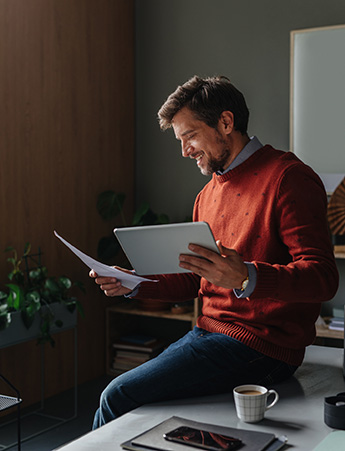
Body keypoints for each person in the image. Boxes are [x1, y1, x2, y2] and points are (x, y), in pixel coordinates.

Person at [90, 75, 339, 429]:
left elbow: (323, 278)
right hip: (209, 335)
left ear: (226, 122)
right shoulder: (206, 195)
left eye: (189, 136)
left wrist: (246, 277)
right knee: (128, 401)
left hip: (264, 348)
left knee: (117, 395)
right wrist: (132, 283)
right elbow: (196, 278)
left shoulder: (289, 178)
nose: (184, 150)